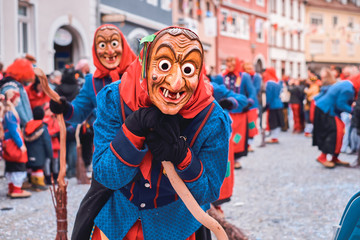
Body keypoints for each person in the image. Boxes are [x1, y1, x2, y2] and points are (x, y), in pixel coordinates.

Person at [88, 26, 229, 240]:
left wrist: (183, 158)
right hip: (115, 224)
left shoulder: (211, 118)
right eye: (164, 65)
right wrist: (132, 132)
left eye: (188, 69)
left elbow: (209, 191)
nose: (175, 83)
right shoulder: (114, 99)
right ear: (145, 63)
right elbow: (105, 175)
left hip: (176, 227)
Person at [48, 24, 137, 240]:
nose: (109, 51)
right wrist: (64, 108)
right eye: (102, 45)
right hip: (107, 154)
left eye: (114, 44)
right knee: (92, 207)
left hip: (138, 148)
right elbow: (78, 113)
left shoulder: (138, 73)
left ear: (123, 46)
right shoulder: (92, 82)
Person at [312, 74, 360, 168]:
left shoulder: (346, 84)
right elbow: (340, 104)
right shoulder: (348, 89)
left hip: (326, 109)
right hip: (327, 110)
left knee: (338, 132)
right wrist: (353, 111)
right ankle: (323, 157)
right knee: (334, 133)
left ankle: (334, 157)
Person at [221, 57, 255, 169]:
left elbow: (252, 92)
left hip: (240, 111)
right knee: (226, 135)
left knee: (238, 136)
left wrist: (248, 104)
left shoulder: (244, 76)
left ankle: (236, 158)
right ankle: (227, 157)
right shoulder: (223, 76)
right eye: (227, 62)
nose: (229, 64)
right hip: (226, 111)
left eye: (231, 62)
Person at [3, 89, 30, 198]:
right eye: (17, 99)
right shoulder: (10, 114)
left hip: (9, 143)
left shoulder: (6, 113)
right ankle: (16, 189)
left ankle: (12, 187)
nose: (18, 101)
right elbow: (14, 131)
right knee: (18, 164)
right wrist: (21, 145)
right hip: (14, 144)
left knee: (11, 165)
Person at [24, 106, 52, 191]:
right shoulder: (42, 127)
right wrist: (49, 153)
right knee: (38, 168)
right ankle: (39, 184)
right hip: (39, 152)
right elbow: (47, 142)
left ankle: (31, 182)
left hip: (29, 152)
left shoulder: (27, 126)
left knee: (31, 167)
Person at [0, 58, 35, 128]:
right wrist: (29, 125)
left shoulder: (14, 85)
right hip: (18, 128)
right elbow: (19, 110)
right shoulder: (12, 87)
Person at [262, 68, 284, 143]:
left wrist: (267, 104)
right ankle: (275, 136)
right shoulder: (278, 82)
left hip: (273, 104)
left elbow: (269, 95)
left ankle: (274, 137)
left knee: (273, 121)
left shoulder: (269, 83)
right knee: (277, 121)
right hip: (279, 103)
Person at [243, 61, 261, 152]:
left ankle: (250, 143)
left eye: (250, 68)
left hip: (252, 105)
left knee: (251, 124)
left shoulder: (256, 77)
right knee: (242, 125)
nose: (248, 71)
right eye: (246, 69)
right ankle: (242, 144)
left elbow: (256, 89)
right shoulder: (242, 76)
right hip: (242, 104)